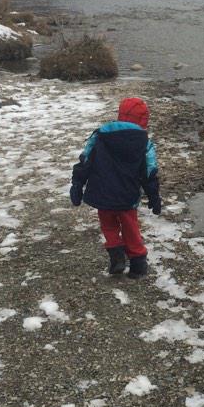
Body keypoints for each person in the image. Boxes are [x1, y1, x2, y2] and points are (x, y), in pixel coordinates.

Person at [70, 97, 162, 279]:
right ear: (144, 120)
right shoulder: (144, 143)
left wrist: (77, 184)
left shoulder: (100, 135)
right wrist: (154, 196)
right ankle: (138, 264)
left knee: (108, 225)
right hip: (127, 195)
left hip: (102, 193)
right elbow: (149, 172)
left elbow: (85, 161)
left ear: (121, 114)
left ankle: (117, 256)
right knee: (130, 228)